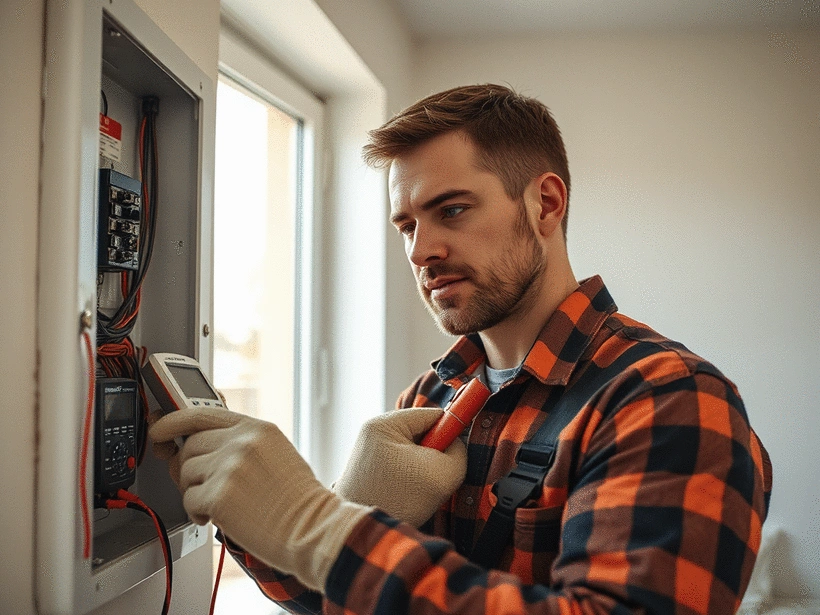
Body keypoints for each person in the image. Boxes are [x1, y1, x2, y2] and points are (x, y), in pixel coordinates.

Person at [150, 84, 772, 614]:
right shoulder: (430, 399)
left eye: (451, 210)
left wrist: (318, 527)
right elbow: (342, 602)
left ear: (545, 205)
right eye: (408, 226)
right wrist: (258, 519)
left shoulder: (668, 397)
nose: (422, 250)